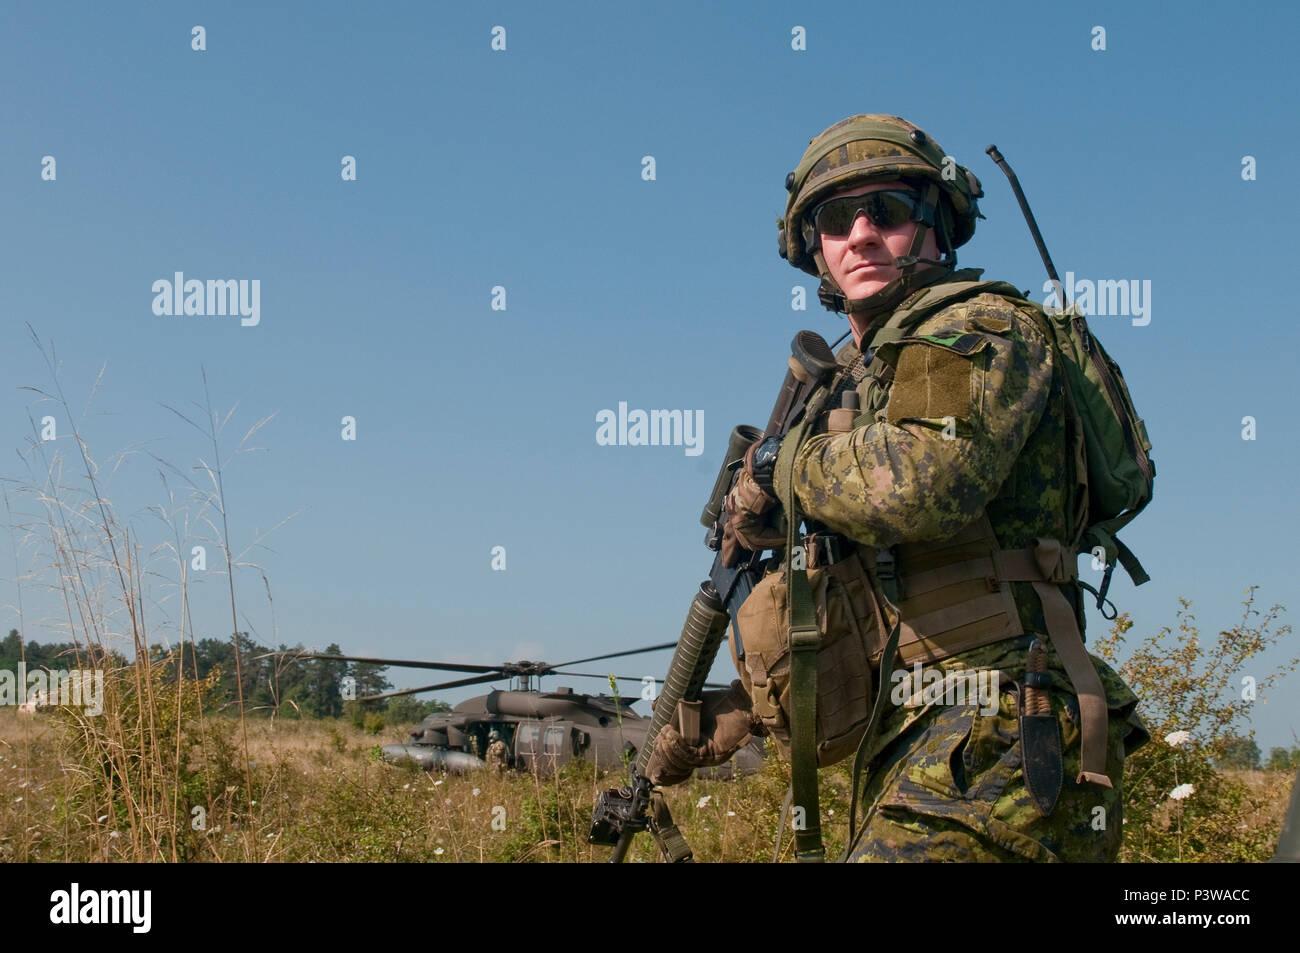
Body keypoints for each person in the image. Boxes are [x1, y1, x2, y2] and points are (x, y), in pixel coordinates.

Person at [654, 114, 1148, 862]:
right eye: (833, 218)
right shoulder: (858, 389)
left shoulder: (977, 327)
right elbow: (852, 610)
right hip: (916, 732)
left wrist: (779, 469)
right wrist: (728, 714)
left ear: (935, 223)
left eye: (884, 210)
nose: (860, 234)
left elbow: (917, 482)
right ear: (813, 248)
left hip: (1001, 720)